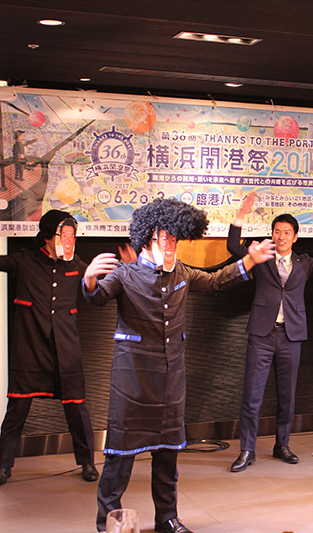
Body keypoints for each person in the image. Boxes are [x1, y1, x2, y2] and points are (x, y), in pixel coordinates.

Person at [83, 198, 275, 533]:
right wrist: (88, 280)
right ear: (148, 239)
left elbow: (215, 281)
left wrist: (249, 260)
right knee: (119, 458)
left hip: (171, 381)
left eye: (175, 238)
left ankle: (167, 518)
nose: (171, 244)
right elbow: (98, 296)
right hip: (132, 383)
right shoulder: (126, 274)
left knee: (168, 455)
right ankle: (107, 522)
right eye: (165, 238)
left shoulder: (182, 273)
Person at [0, 203, 99, 487]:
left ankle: (87, 463)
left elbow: (100, 288)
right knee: (16, 411)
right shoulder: (24, 261)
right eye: (64, 235)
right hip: (29, 350)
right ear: (48, 237)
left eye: (72, 236)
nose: (69, 241)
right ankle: (3, 467)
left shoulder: (76, 266)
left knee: (77, 410)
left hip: (66, 352)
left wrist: (127, 269)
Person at [228, 192, 313, 472]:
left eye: (287, 232)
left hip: (291, 336)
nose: (281, 237)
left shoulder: (305, 263)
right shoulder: (262, 257)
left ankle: (282, 445)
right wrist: (241, 214)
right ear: (272, 234)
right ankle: (247, 450)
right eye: (277, 231)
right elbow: (232, 246)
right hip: (262, 335)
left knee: (287, 395)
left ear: (295, 237)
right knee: (252, 395)